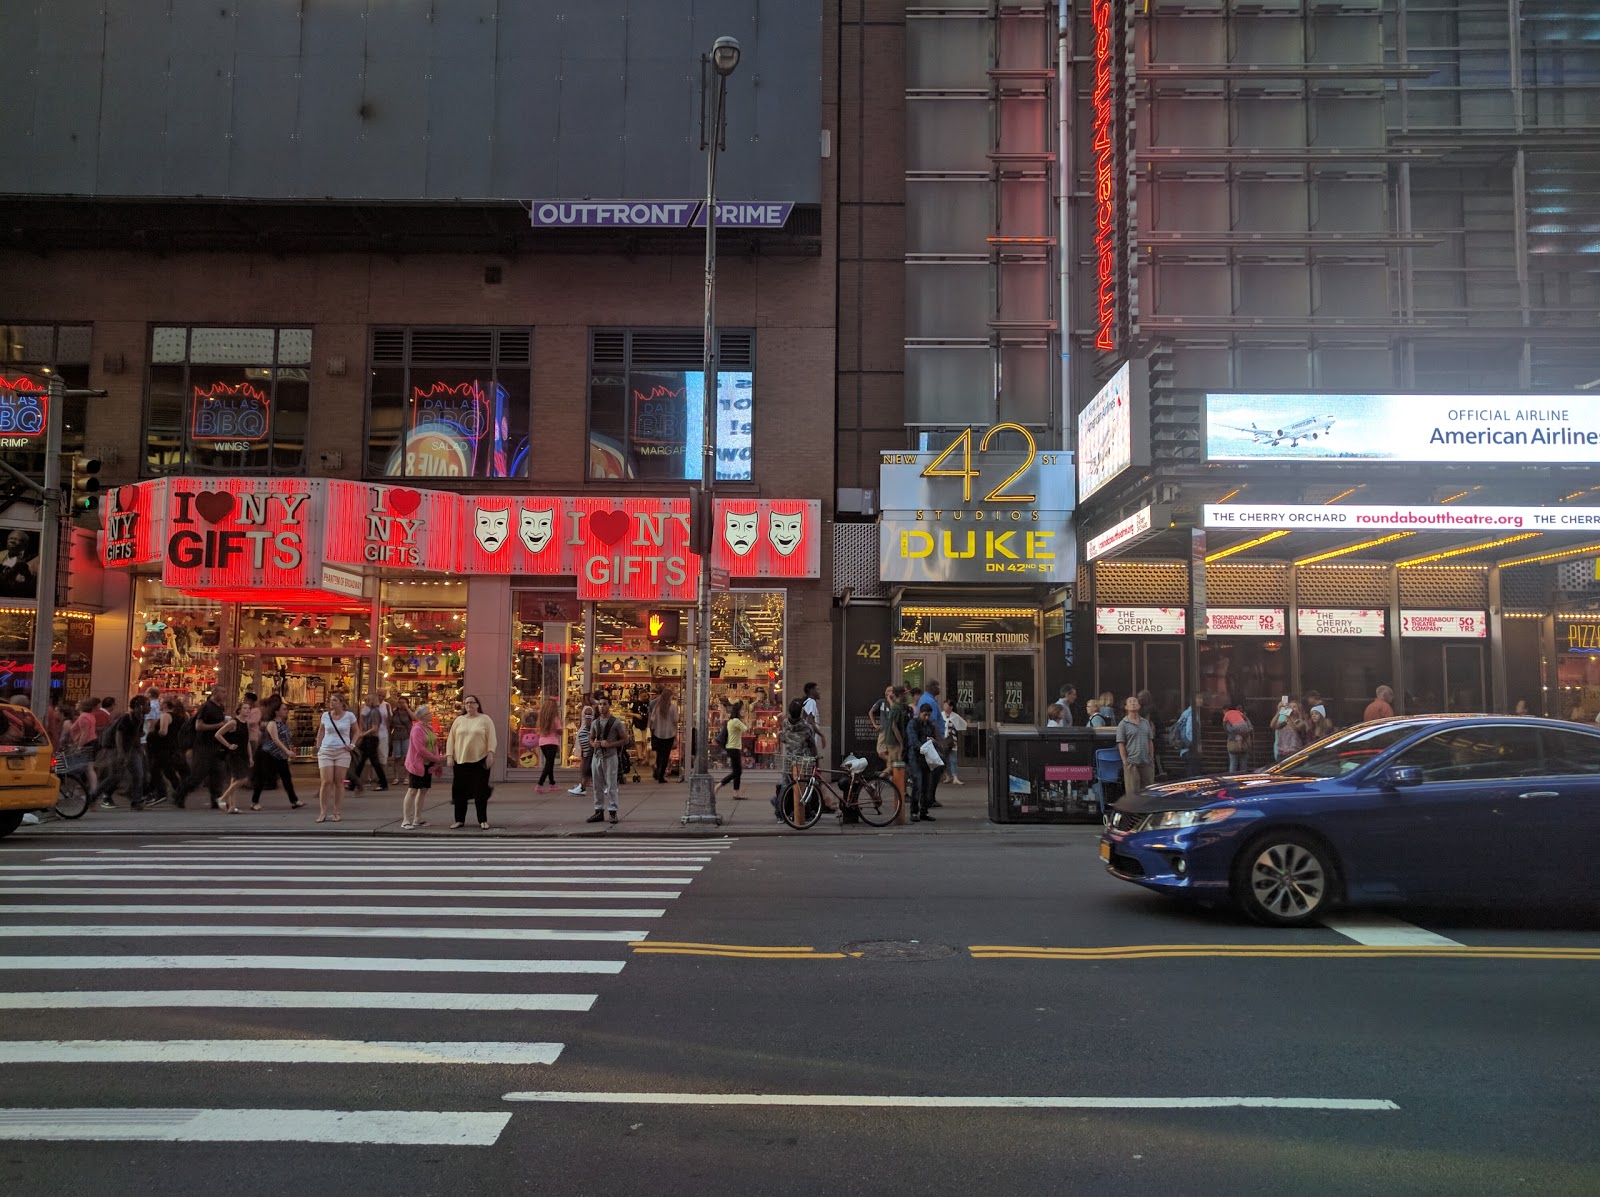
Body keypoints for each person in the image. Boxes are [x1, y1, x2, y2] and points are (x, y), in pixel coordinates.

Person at [445, 694, 497, 829]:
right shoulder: (459, 720)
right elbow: (451, 739)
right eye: (466, 703)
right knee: (459, 792)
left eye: (472, 703)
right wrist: (449, 756)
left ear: (477, 704)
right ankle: (459, 820)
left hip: (480, 760)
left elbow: (491, 738)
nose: (469, 705)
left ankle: (483, 820)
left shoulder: (485, 719)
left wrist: (490, 754)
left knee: (480, 792)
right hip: (461, 760)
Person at [91, 695, 150, 810]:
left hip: (132, 750)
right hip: (118, 749)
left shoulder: (140, 717)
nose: (149, 708)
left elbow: (136, 735)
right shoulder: (127, 717)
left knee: (138, 774)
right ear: (140, 706)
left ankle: (136, 801)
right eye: (147, 705)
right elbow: (119, 734)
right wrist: (121, 753)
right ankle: (93, 796)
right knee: (115, 776)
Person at [179, 685, 231, 810]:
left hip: (215, 745)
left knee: (217, 774)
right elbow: (199, 726)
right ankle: (179, 795)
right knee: (198, 775)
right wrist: (219, 725)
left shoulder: (220, 707)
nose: (224, 695)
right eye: (222, 692)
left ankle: (216, 800)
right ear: (215, 693)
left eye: (225, 692)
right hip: (203, 745)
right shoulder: (206, 707)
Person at [249, 694, 301, 810]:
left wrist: (289, 749)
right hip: (268, 754)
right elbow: (275, 739)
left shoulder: (282, 723)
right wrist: (287, 751)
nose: (286, 711)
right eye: (283, 709)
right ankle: (254, 802)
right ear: (276, 711)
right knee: (262, 778)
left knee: (286, 777)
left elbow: (285, 738)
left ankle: (294, 800)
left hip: (279, 755)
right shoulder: (272, 723)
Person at [316, 692, 357, 823]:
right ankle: (323, 811)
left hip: (342, 751)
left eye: (334, 700)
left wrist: (352, 744)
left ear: (341, 703)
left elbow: (357, 730)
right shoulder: (325, 716)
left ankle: (336, 811)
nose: (331, 703)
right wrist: (318, 746)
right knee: (326, 781)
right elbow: (321, 730)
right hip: (326, 750)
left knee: (339, 781)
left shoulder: (349, 716)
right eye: (330, 700)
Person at [776, 697, 820, 822]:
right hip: (803, 761)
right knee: (805, 787)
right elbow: (811, 744)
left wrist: (781, 737)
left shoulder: (785, 724)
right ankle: (805, 812)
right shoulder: (807, 727)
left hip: (790, 759)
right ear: (801, 712)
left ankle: (781, 813)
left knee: (786, 786)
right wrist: (816, 759)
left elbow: (784, 738)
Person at [586, 694, 627, 824]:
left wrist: (610, 745)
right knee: (597, 785)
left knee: (611, 785)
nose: (602, 707)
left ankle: (613, 811)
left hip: (610, 756)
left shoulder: (616, 722)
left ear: (609, 706)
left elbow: (625, 739)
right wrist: (593, 744)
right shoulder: (595, 723)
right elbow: (591, 738)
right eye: (600, 704)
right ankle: (598, 810)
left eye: (605, 704)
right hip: (597, 756)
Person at [401, 701, 441, 829]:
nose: (431, 714)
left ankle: (417, 818)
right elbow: (420, 749)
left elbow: (434, 743)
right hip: (417, 764)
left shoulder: (429, 728)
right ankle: (406, 819)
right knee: (412, 790)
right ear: (422, 716)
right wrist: (436, 757)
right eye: (428, 713)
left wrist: (436, 759)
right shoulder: (417, 729)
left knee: (423, 790)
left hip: (427, 764)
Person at [905, 700, 944, 822]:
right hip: (915, 757)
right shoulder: (913, 723)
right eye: (924, 715)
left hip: (926, 758)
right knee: (918, 783)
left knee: (926, 784)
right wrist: (922, 747)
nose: (926, 717)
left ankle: (924, 811)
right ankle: (914, 811)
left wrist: (933, 741)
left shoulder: (930, 725)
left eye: (928, 715)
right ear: (920, 713)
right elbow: (913, 740)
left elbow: (937, 740)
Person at [214, 701, 252, 814]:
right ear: (239, 710)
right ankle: (222, 798)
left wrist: (250, 756)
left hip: (243, 753)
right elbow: (218, 734)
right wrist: (228, 745)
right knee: (243, 778)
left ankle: (232, 806)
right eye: (245, 708)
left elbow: (247, 741)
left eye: (249, 708)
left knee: (235, 779)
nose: (247, 710)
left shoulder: (246, 723)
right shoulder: (233, 723)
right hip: (234, 754)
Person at [1115, 695, 1156, 799]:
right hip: (1131, 762)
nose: (1133, 703)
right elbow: (1121, 744)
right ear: (1126, 707)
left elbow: (1150, 741)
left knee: (1148, 791)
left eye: (1135, 702)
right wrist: (1125, 761)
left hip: (1146, 761)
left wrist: (1151, 757)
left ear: (1139, 706)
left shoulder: (1145, 723)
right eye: (1130, 702)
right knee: (1133, 793)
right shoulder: (1123, 724)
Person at [348, 698, 389, 792]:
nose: (365, 703)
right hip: (369, 738)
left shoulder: (374, 712)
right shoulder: (371, 712)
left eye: (367, 701)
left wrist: (363, 734)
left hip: (371, 739)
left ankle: (383, 783)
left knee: (373, 762)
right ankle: (353, 783)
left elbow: (375, 728)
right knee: (362, 761)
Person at [645, 685, 679, 784]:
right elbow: (675, 720)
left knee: (659, 755)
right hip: (669, 734)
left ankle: (658, 771)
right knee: (666, 755)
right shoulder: (672, 708)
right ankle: (661, 774)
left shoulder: (656, 708)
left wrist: (651, 730)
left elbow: (652, 720)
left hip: (658, 733)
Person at [714, 700, 748, 799]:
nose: (743, 711)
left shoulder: (731, 721)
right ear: (738, 711)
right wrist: (745, 719)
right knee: (737, 772)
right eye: (742, 709)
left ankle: (736, 793)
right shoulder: (736, 721)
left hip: (731, 747)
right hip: (734, 748)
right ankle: (719, 785)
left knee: (737, 771)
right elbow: (747, 729)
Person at [534, 697, 562, 792]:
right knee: (549, 764)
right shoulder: (555, 719)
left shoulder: (541, 719)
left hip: (542, 742)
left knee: (549, 763)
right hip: (552, 742)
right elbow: (560, 731)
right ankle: (540, 784)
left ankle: (552, 783)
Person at [1172, 695, 1202, 777]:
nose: (1201, 700)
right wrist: (1193, 745)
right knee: (1192, 773)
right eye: (1199, 698)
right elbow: (1189, 731)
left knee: (1189, 770)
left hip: (1185, 749)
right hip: (1189, 749)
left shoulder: (1186, 712)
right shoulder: (1192, 713)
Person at [570, 695, 595, 796]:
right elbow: (588, 724)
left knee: (586, 758)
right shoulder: (588, 709)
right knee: (587, 758)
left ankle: (583, 784)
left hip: (583, 733)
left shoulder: (584, 709)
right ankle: (583, 784)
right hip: (586, 735)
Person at [0, 528, 36, 597]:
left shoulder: (33, 558)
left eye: (16, 539)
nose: (12, 541)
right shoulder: (1, 555)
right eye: (10, 538)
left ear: (25, 544)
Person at [941, 698, 967, 785]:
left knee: (953, 759)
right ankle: (947, 775)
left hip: (952, 741)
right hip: (943, 740)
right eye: (944, 705)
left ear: (951, 707)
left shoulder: (955, 716)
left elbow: (963, 724)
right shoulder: (941, 715)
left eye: (946, 705)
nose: (945, 707)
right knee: (944, 759)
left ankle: (955, 777)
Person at [1222, 703, 1253, 773]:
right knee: (1243, 765)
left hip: (1233, 745)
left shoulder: (1229, 720)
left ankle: (1232, 779)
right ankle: (1242, 778)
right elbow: (1250, 729)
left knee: (1233, 764)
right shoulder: (1244, 719)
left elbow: (1229, 730)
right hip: (1244, 744)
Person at [802, 682, 826, 754]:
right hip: (810, 737)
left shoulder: (807, 702)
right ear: (811, 691)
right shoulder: (811, 702)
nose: (819, 692)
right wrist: (821, 735)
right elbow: (810, 720)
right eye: (817, 689)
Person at [389, 695, 413, 764]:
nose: (401, 704)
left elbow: (414, 718)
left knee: (406, 754)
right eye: (399, 702)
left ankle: (405, 770)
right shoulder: (394, 712)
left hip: (406, 734)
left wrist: (407, 709)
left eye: (403, 702)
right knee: (397, 755)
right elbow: (391, 723)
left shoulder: (409, 712)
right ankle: (397, 771)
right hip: (396, 734)